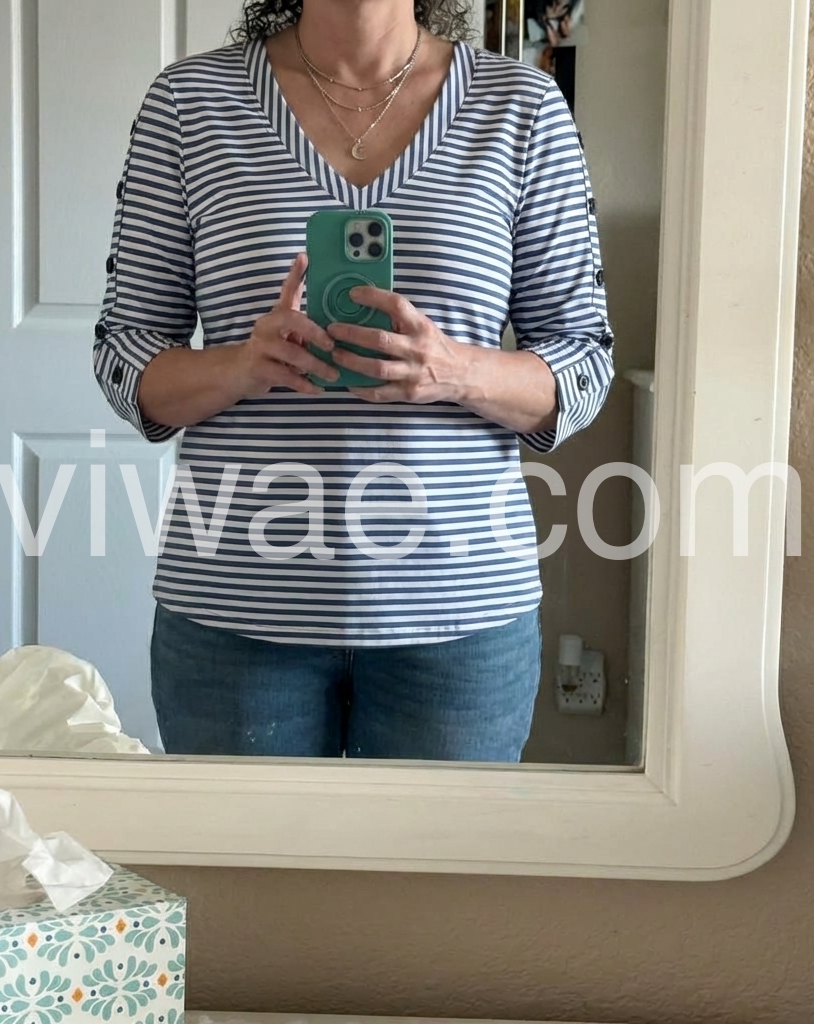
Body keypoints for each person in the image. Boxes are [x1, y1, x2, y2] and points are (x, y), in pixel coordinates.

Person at [92, 0, 614, 762]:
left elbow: (584, 361)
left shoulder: (522, 109)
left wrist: (454, 371)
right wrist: (241, 365)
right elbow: (124, 355)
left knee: (437, 849)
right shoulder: (189, 104)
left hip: (460, 624)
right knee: (249, 850)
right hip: (235, 619)